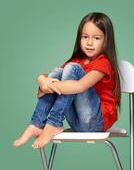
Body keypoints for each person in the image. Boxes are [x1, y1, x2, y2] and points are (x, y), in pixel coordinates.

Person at [13, 12, 121, 149]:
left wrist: (48, 86)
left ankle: (53, 123)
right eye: (85, 37)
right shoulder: (77, 60)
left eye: (96, 38)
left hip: (95, 122)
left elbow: (79, 86)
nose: (89, 42)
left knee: (71, 69)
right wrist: (42, 80)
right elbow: (51, 78)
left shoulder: (103, 63)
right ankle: (37, 124)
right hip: (76, 122)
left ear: (106, 40)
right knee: (59, 72)